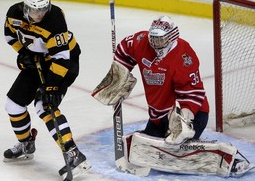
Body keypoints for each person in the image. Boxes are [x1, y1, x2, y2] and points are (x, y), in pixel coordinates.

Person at [92, 15, 252, 177]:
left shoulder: (184, 56)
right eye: (153, 38)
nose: (155, 43)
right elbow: (124, 49)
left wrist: (183, 120)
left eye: (160, 40)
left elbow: (193, 93)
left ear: (172, 36)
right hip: (158, 116)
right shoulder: (142, 41)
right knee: (147, 150)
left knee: (177, 151)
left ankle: (230, 160)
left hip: (193, 114)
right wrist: (119, 76)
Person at [3, 0, 90, 178]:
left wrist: (51, 86)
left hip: (63, 63)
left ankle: (73, 153)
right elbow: (9, 36)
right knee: (13, 105)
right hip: (38, 61)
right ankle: (26, 143)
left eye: (43, 9)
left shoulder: (55, 18)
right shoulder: (13, 15)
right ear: (26, 8)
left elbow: (62, 58)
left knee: (44, 104)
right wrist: (24, 54)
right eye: (35, 10)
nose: (40, 13)